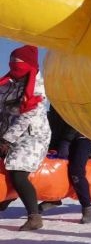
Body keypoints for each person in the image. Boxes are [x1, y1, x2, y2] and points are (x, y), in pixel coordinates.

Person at [0, 45, 51, 231]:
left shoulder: (37, 87)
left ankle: (34, 216)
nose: (14, 68)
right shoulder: (9, 84)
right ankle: (7, 197)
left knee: (17, 170)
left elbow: (26, 116)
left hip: (32, 136)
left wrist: (6, 140)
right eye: (12, 64)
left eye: (18, 64)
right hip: (7, 133)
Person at [39, 106, 91, 224]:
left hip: (81, 137)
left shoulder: (71, 96)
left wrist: (65, 141)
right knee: (56, 169)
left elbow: (75, 118)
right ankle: (55, 199)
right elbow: (55, 123)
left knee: (76, 171)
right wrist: (52, 145)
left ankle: (87, 206)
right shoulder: (53, 101)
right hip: (60, 139)